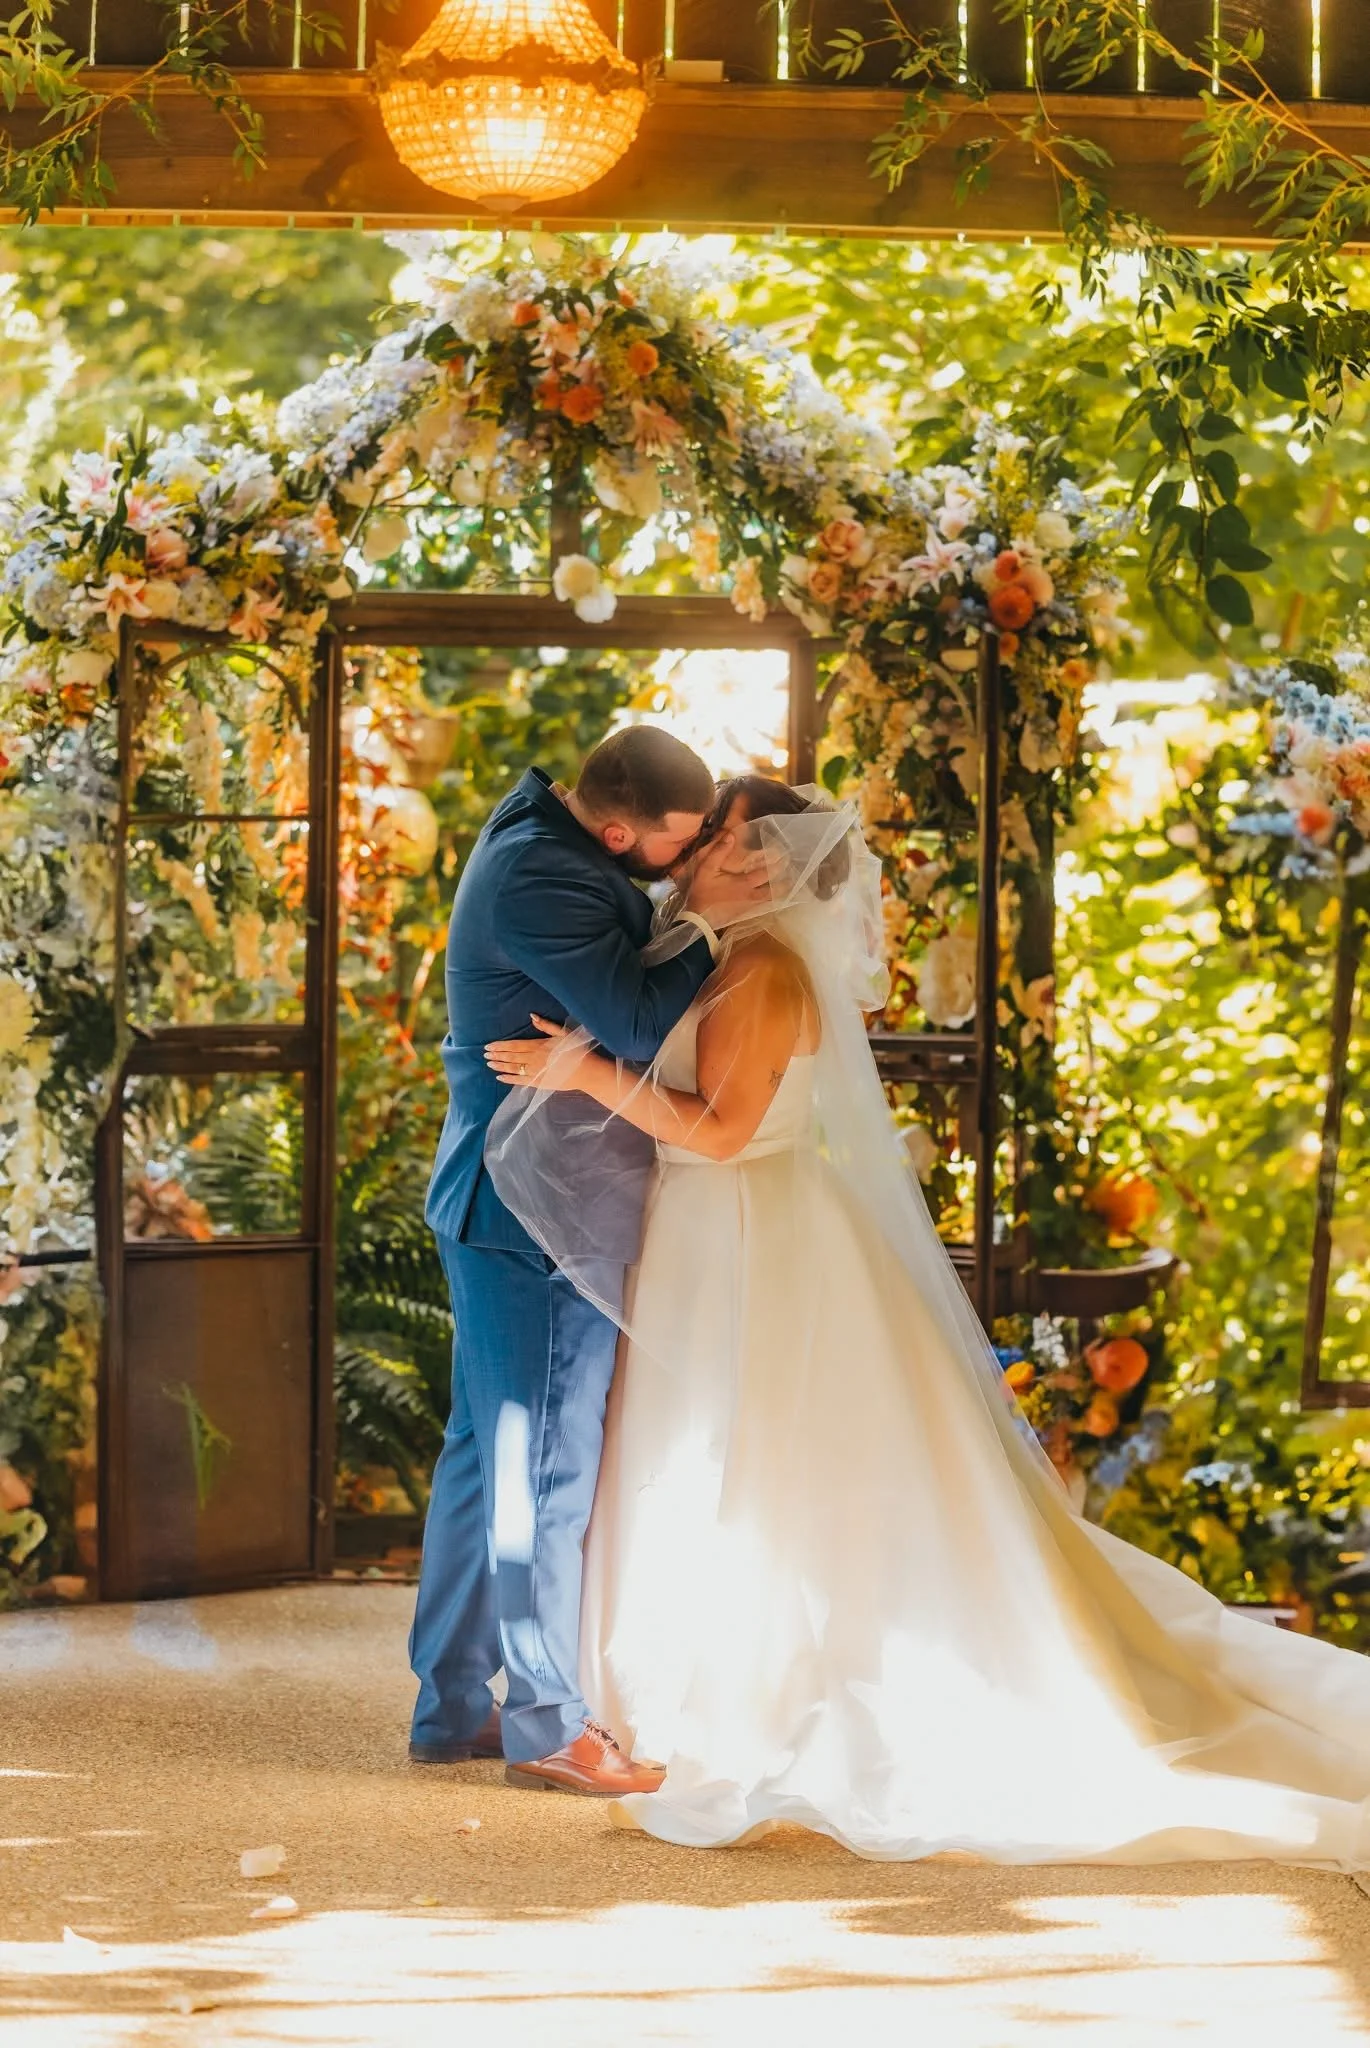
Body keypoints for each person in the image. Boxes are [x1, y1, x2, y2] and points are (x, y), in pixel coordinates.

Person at [485, 777, 1370, 1863]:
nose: (681, 858)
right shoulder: (729, 958)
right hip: (715, 1233)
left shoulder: (760, 971)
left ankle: (757, 1680)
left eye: (707, 838)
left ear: (760, 863)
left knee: (762, 1459)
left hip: (749, 1236)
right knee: (700, 1448)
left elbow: (718, 1134)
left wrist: (586, 1074)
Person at [410, 727, 767, 1799]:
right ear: (618, 829)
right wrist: (710, 918)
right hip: (535, 1208)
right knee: (542, 1469)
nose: (696, 850)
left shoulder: (553, 839)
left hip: (506, 1196)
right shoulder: (541, 877)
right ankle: (548, 1725)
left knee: (486, 1458)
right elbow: (644, 1016)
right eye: (683, 838)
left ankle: (454, 1702)